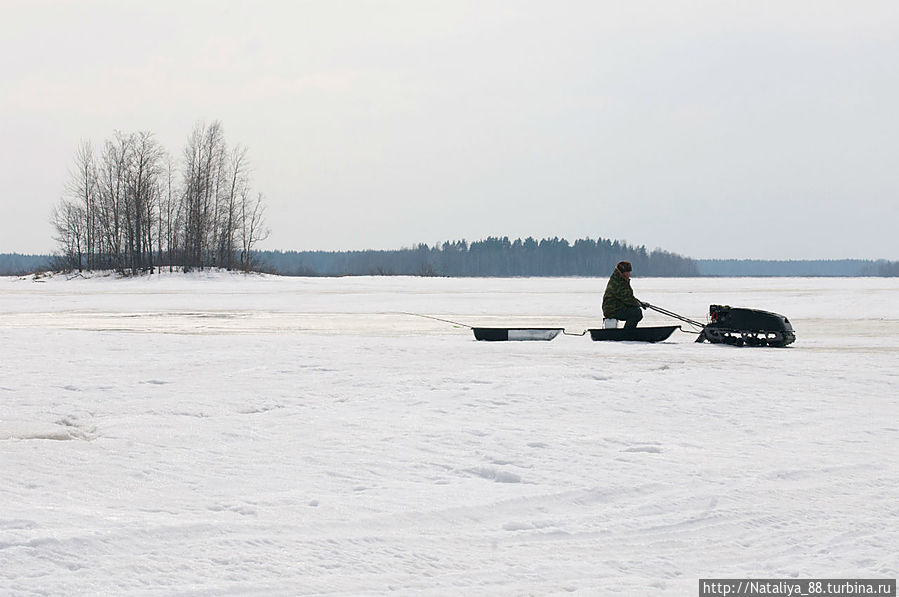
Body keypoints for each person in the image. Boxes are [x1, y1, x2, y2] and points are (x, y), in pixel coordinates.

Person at [602, 261, 648, 328]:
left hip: (618, 307)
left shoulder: (621, 280)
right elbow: (626, 298)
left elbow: (628, 296)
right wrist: (638, 303)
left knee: (635, 311)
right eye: (628, 272)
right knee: (636, 313)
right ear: (622, 272)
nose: (629, 274)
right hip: (612, 310)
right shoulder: (617, 282)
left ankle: (628, 330)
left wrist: (640, 302)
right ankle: (628, 332)